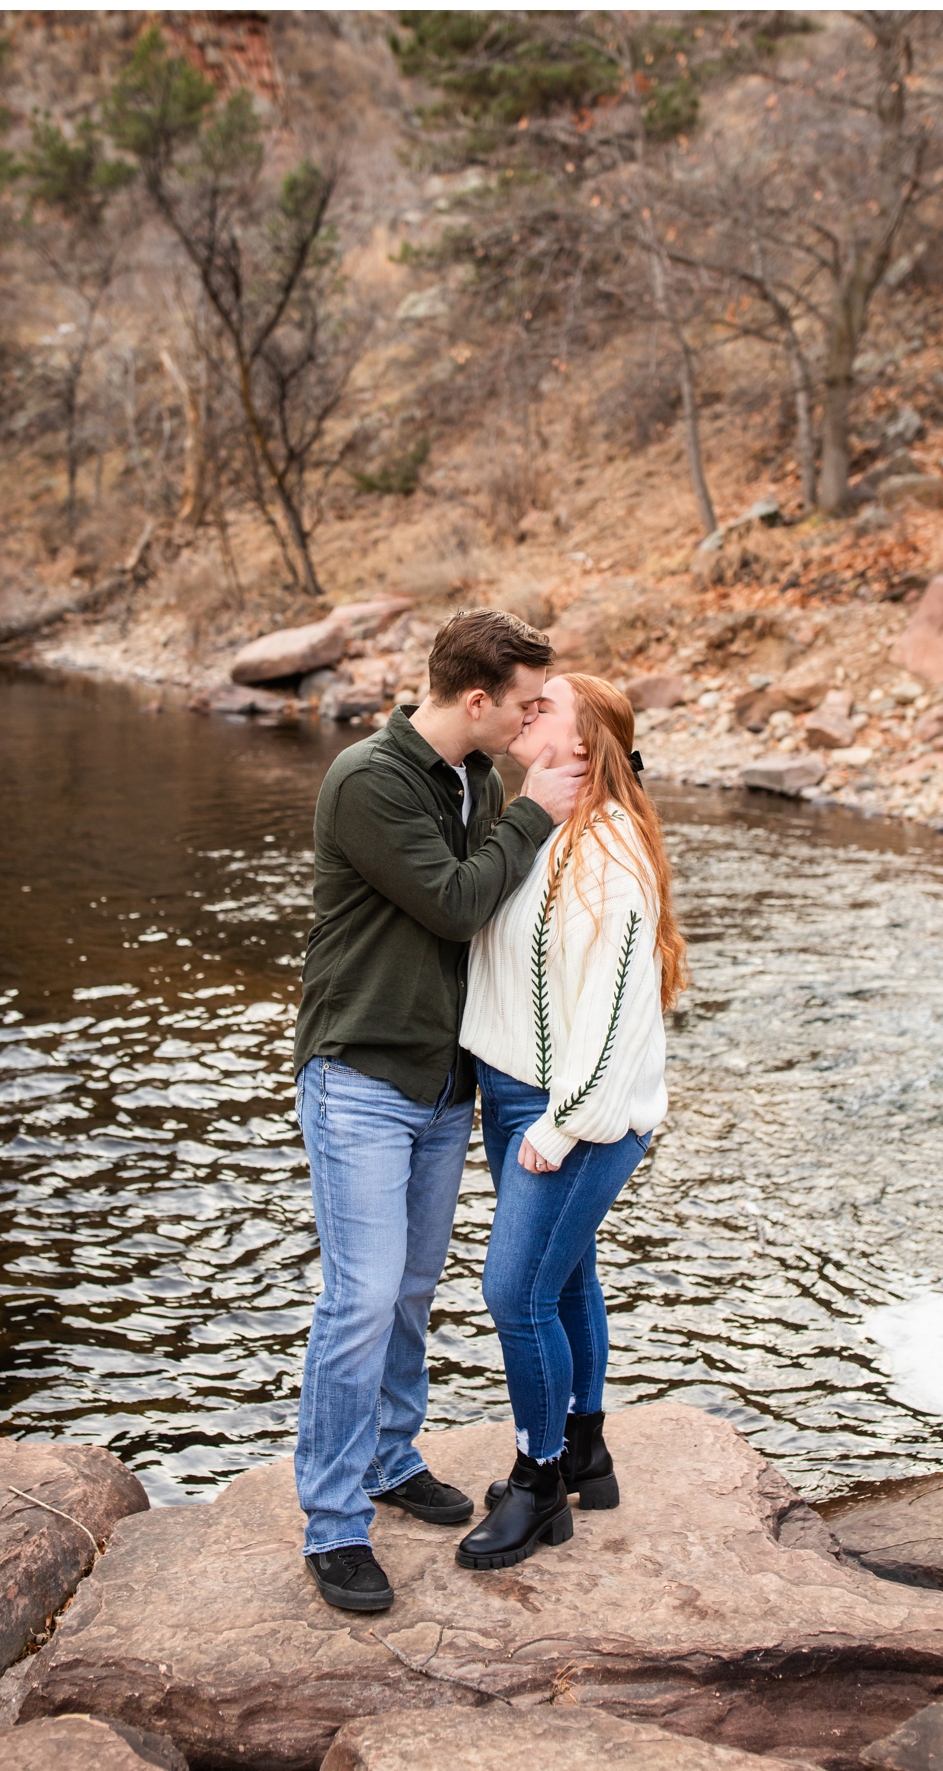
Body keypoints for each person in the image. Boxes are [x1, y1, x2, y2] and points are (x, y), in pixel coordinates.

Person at [293, 609, 584, 1613]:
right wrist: (539, 810)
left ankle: (389, 1455)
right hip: (362, 1075)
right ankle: (333, 1523)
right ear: (475, 700)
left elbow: (499, 915)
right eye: (525, 702)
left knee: (411, 1288)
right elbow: (460, 903)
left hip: (441, 1081)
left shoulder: (477, 780)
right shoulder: (370, 779)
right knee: (360, 1298)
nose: (533, 717)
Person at [452, 672, 687, 1570]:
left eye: (541, 705)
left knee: (515, 1292)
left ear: (584, 747)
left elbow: (622, 1013)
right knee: (562, 1277)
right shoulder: (545, 827)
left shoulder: (610, 853)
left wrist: (563, 1125)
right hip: (515, 1095)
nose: (522, 711)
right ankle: (586, 1448)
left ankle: (540, 1479)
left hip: (574, 1115)